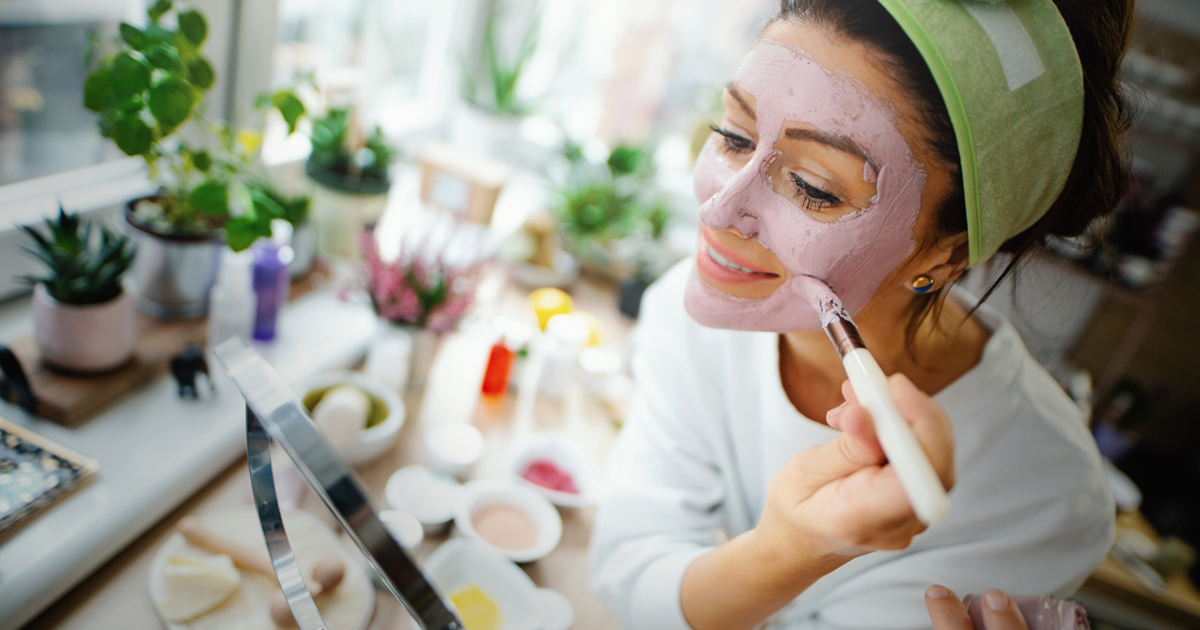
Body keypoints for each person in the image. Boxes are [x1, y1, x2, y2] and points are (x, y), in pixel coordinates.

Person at [588, 1, 1133, 629]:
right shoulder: (697, 317)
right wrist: (787, 549)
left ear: (943, 254)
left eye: (815, 188)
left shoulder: (1047, 496)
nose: (717, 210)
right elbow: (630, 574)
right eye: (734, 136)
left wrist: (789, 553)